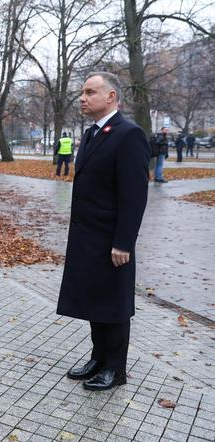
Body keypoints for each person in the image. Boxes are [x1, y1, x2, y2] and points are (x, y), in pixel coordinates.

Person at [57, 72, 150, 391]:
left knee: (114, 304)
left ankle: (115, 368)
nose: (83, 98)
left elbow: (134, 195)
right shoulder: (94, 133)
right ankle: (98, 358)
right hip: (88, 237)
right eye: (82, 92)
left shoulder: (129, 135)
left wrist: (124, 242)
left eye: (90, 92)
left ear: (111, 97)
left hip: (113, 240)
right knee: (95, 301)